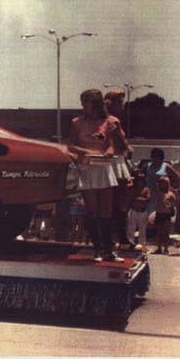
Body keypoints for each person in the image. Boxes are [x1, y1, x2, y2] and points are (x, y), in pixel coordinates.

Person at [67, 89, 125, 262]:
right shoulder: (77, 122)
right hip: (86, 168)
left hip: (104, 168)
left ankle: (109, 250)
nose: (83, 105)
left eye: (86, 101)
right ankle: (97, 250)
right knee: (92, 211)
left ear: (96, 103)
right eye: (82, 101)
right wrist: (86, 151)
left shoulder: (110, 121)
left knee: (106, 212)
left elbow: (112, 144)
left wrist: (108, 151)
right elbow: (70, 145)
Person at [104, 89, 133, 248]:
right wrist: (128, 147)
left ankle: (110, 238)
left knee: (108, 204)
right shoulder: (114, 121)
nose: (123, 105)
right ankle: (122, 238)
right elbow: (122, 144)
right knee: (120, 204)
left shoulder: (100, 120)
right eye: (121, 102)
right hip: (116, 163)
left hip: (107, 163)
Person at [144, 147, 180, 215]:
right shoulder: (148, 166)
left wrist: (170, 188)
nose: (155, 158)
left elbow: (178, 178)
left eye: (157, 156)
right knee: (149, 215)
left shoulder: (166, 166)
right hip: (149, 194)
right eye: (153, 156)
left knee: (161, 214)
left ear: (161, 157)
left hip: (161, 195)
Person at [126, 172, 150, 250]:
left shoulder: (146, 189)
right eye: (139, 180)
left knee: (142, 229)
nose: (140, 181)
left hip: (142, 211)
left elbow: (147, 199)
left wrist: (137, 199)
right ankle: (130, 243)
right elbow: (130, 199)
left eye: (142, 180)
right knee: (131, 228)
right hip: (133, 210)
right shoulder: (133, 189)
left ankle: (142, 245)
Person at [153, 176, 176, 255]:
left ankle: (166, 248)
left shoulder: (170, 194)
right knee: (159, 231)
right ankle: (159, 247)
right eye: (162, 183)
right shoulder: (158, 192)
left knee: (166, 232)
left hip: (167, 214)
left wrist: (171, 205)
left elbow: (174, 202)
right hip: (159, 213)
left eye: (166, 183)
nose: (164, 185)